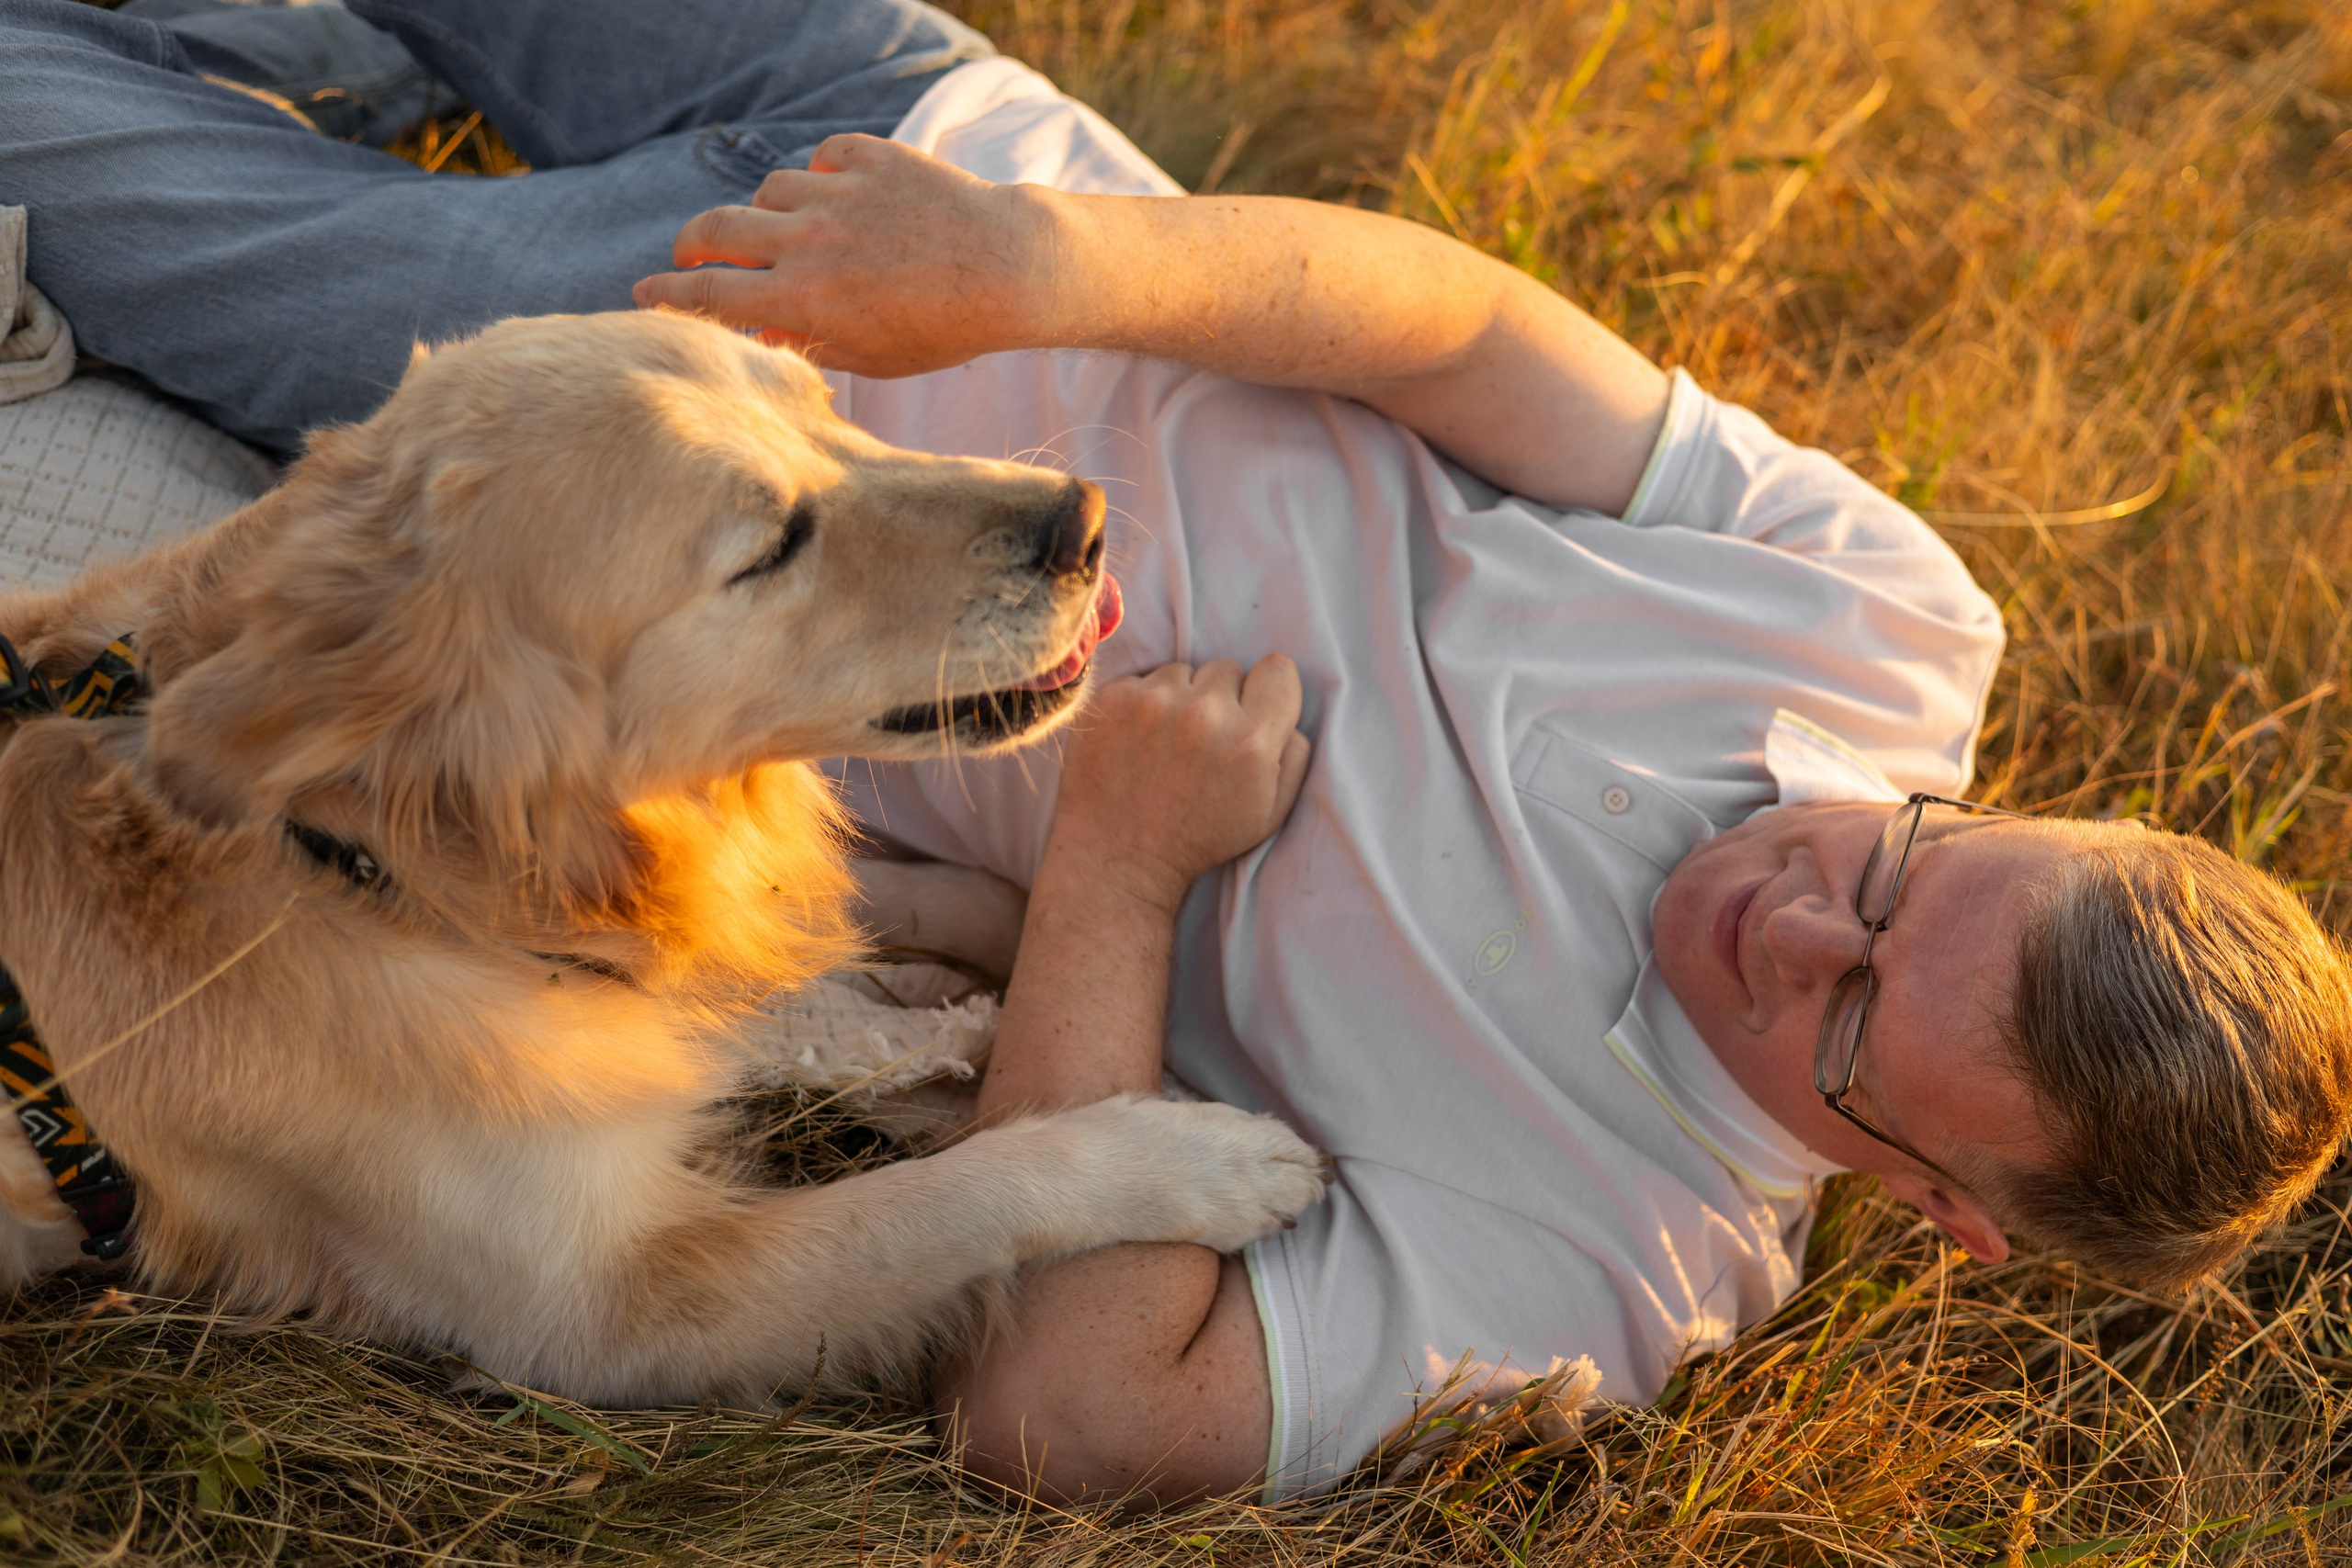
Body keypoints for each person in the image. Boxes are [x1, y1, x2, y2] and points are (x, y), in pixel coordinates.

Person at [5, 0, 2348, 1507]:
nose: (1792, 904)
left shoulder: (1600, 1250)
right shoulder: (1884, 616)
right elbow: (1458, 325)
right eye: (1916, 864)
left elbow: (1072, 1420)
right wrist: (1036, 266)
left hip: (642, 507)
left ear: (1941, 1205)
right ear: (2049, 810)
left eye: (1846, 1022)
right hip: (929, 152)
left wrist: (1116, 872)